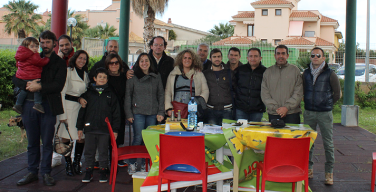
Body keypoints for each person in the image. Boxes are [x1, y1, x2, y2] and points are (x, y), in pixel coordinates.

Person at [14, 30, 67, 186]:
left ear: (54, 44)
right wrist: (27, 85)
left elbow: (58, 85)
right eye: (42, 42)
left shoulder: (59, 63)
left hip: (48, 106)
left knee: (47, 142)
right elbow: (15, 77)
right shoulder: (30, 56)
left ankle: (46, 173)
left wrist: (40, 86)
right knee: (32, 141)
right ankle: (32, 172)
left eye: (48, 42)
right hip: (29, 105)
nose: (44, 45)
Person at [303, 47, 341, 185]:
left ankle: (329, 173)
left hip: (325, 113)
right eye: (312, 55)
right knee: (308, 143)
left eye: (318, 55)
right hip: (309, 113)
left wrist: (327, 104)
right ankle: (308, 169)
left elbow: (337, 94)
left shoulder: (331, 74)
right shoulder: (306, 73)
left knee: (328, 143)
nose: (315, 57)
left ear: (323, 58)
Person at [77, 68, 120, 183]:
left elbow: (116, 113)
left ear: (107, 79)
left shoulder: (111, 94)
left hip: (105, 130)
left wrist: (115, 130)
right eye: (100, 77)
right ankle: (88, 171)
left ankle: (103, 171)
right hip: (90, 128)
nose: (102, 79)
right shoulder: (87, 94)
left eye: (104, 77)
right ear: (95, 78)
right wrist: (80, 127)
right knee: (89, 151)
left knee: (103, 151)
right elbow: (82, 112)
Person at [125, 53, 165, 174]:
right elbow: (128, 96)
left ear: (150, 62)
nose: (144, 63)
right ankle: (132, 163)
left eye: (146, 60)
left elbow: (161, 94)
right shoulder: (132, 76)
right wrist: (129, 114)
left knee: (148, 140)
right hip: (138, 113)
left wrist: (160, 112)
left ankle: (143, 164)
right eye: (141, 61)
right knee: (138, 138)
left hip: (152, 113)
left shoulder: (156, 76)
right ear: (138, 63)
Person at [56, 50, 90, 176]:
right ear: (75, 58)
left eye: (85, 59)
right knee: (66, 137)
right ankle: (68, 163)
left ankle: (77, 162)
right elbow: (62, 93)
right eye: (80, 58)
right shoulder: (68, 72)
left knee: (81, 137)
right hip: (68, 108)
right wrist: (62, 115)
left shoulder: (86, 74)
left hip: (81, 109)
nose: (82, 60)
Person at [261, 45, 303, 124]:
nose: (281, 56)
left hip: (292, 113)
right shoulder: (268, 72)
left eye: (283, 53)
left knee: (291, 136)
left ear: (287, 55)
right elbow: (264, 93)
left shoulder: (295, 70)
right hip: (274, 113)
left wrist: (287, 107)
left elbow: (298, 92)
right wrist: (276, 108)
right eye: (278, 53)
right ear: (275, 56)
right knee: (275, 136)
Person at [165, 49, 209, 118]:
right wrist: (169, 108)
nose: (187, 60)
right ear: (181, 59)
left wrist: (199, 105)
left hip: (193, 111)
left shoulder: (198, 74)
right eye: (185, 58)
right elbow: (168, 92)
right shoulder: (173, 74)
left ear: (193, 60)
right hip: (176, 110)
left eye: (189, 58)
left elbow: (205, 91)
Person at [12, 37, 50, 114]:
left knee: (24, 90)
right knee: (37, 88)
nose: (35, 48)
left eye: (36, 46)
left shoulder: (20, 55)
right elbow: (40, 62)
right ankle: (38, 104)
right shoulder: (33, 55)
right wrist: (47, 59)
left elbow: (17, 65)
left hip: (22, 76)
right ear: (26, 47)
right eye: (32, 46)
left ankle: (18, 104)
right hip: (32, 76)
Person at [104, 53, 128, 167]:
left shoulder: (124, 76)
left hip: (120, 109)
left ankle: (117, 158)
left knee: (119, 133)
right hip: (107, 109)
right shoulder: (104, 77)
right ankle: (106, 160)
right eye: (111, 63)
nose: (114, 65)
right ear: (107, 64)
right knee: (106, 135)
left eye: (116, 63)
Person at [234, 48, 266, 122]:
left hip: (257, 110)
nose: (253, 58)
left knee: (254, 132)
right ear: (247, 58)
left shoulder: (265, 72)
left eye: (255, 56)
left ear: (260, 58)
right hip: (241, 109)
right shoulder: (240, 70)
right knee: (240, 131)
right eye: (251, 56)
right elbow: (234, 87)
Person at [203, 48, 234, 125]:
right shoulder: (205, 73)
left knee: (227, 135)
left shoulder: (229, 72)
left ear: (221, 58)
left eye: (218, 56)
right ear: (210, 58)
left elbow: (235, 88)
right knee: (212, 135)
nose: (217, 59)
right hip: (211, 110)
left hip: (227, 110)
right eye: (214, 57)